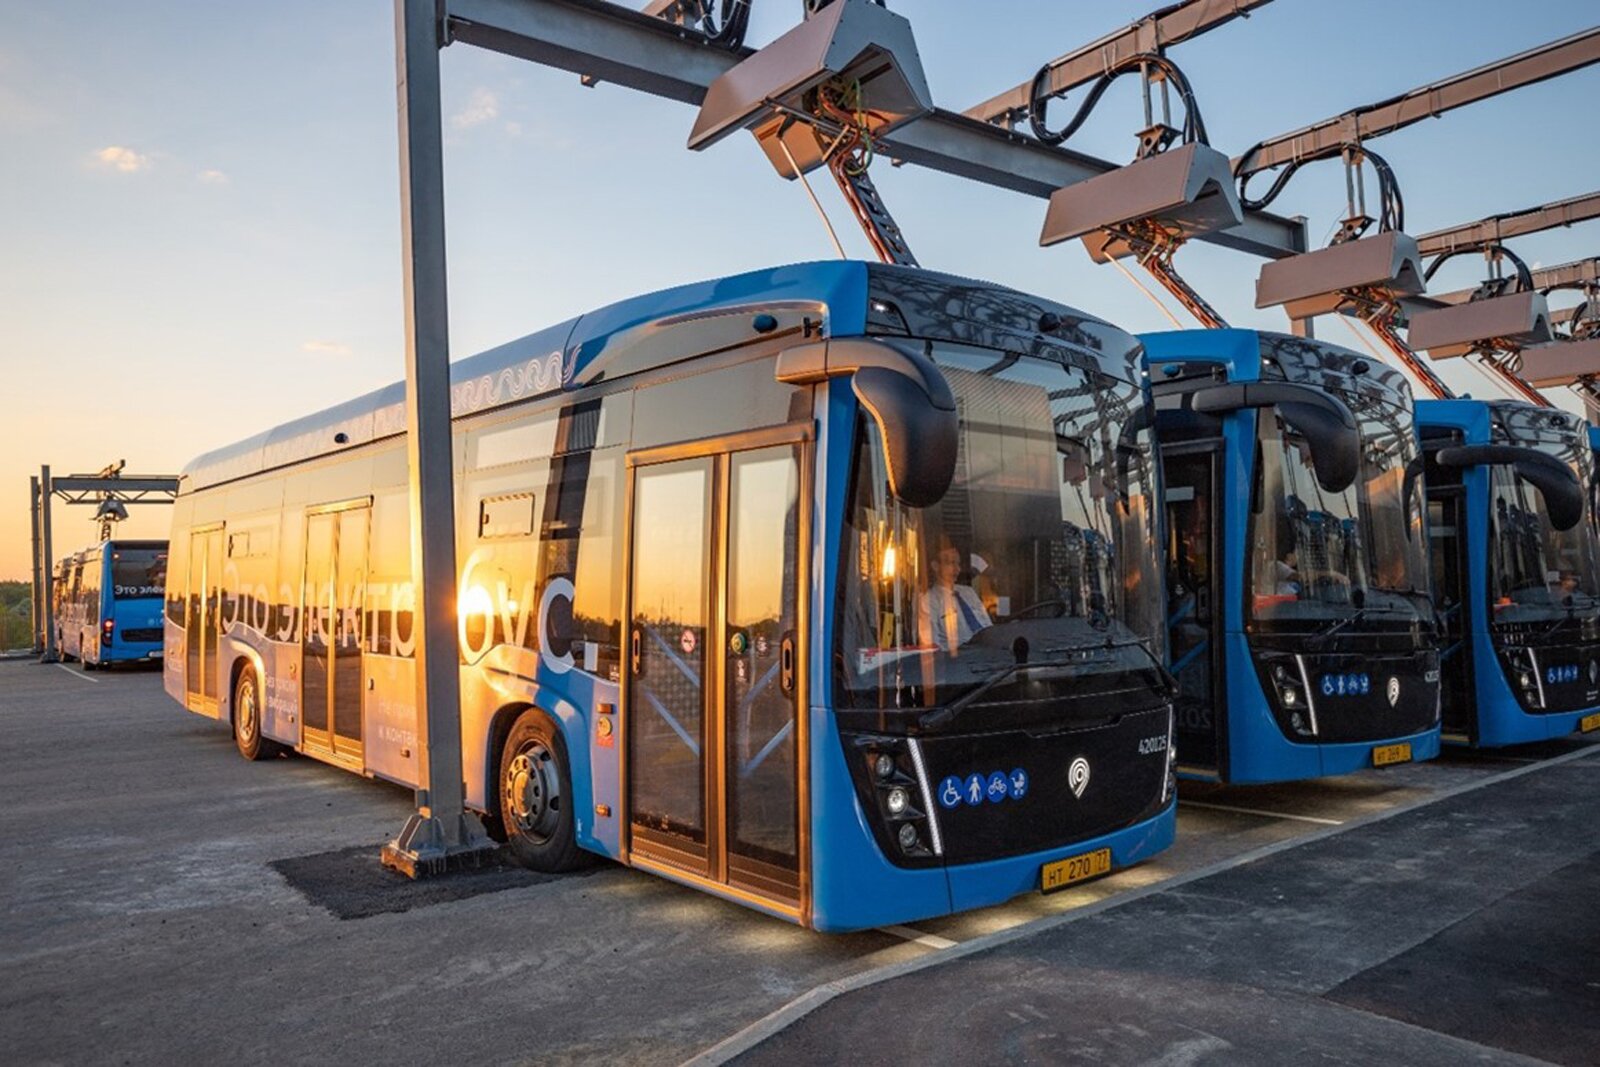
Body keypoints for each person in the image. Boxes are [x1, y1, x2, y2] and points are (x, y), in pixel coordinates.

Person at [921, 540, 992, 652]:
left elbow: (988, 626)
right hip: (959, 661)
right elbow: (932, 646)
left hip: (989, 655)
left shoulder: (969, 592)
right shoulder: (928, 601)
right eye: (950, 563)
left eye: (958, 563)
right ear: (935, 566)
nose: (957, 569)